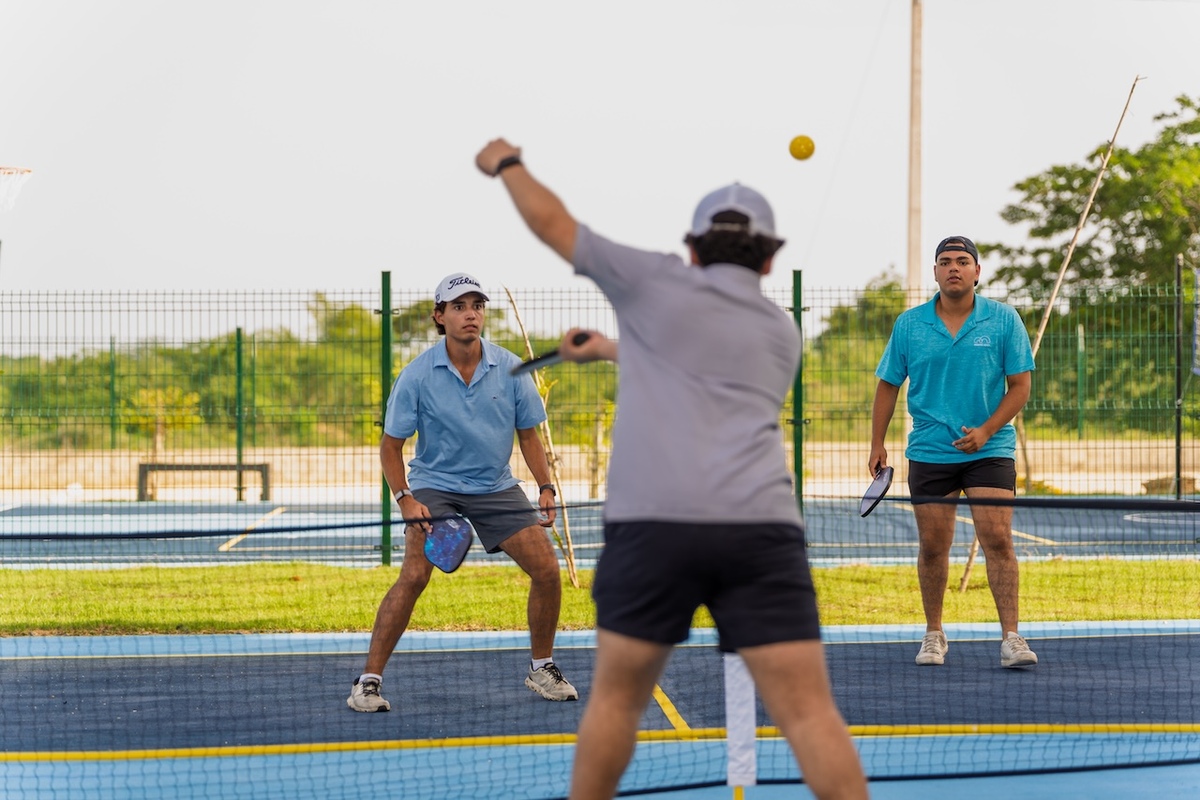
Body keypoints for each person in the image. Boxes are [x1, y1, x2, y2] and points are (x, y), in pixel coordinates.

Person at [475, 139, 869, 800]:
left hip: (654, 529)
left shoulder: (656, 280)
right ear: (771, 258)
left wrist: (506, 164)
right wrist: (608, 348)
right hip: (759, 533)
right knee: (807, 712)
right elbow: (699, 369)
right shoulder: (780, 331)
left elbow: (554, 226)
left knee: (617, 703)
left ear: (691, 247)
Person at [346, 271, 578, 712]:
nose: (471, 314)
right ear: (440, 317)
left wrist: (546, 486)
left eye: (477, 306)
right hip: (436, 486)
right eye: (459, 307)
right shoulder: (416, 376)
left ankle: (541, 668)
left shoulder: (511, 368)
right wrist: (406, 499)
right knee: (414, 575)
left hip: (496, 487)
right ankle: (367, 683)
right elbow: (390, 448)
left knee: (546, 569)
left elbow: (529, 436)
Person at [869, 236, 1038, 669]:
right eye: (945, 262)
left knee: (997, 539)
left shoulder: (1003, 320)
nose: (954, 268)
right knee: (932, 546)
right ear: (935, 272)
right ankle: (933, 634)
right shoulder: (910, 325)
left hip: (991, 449)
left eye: (963, 261)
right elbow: (888, 385)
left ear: (977, 271)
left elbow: (1020, 388)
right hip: (929, 451)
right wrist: (876, 444)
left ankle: (1012, 638)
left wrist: (986, 430)